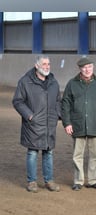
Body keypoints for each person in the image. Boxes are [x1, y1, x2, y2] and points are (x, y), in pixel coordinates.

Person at [61, 57, 96, 191]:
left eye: (89, 67)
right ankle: (78, 181)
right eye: (84, 67)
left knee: (95, 155)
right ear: (80, 69)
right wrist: (67, 123)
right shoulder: (72, 84)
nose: (87, 69)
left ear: (93, 67)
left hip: (95, 123)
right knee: (77, 155)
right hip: (78, 124)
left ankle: (93, 180)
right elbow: (65, 104)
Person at [12, 55, 61, 193]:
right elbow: (17, 101)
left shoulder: (53, 82)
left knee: (48, 152)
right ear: (36, 66)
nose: (47, 66)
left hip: (49, 124)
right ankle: (32, 181)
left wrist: (57, 115)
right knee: (32, 152)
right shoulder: (25, 82)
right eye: (44, 64)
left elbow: (58, 101)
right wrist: (30, 115)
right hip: (33, 125)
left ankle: (49, 181)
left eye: (48, 64)